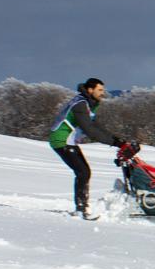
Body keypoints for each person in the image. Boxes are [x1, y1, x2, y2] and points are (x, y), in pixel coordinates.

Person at [49, 78, 134, 218]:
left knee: (84, 172)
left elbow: (96, 126)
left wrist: (118, 140)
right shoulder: (81, 104)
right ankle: (81, 210)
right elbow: (90, 130)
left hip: (68, 141)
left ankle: (81, 208)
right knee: (83, 172)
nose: (102, 93)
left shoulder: (89, 103)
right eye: (100, 90)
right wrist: (116, 143)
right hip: (61, 140)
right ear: (90, 90)